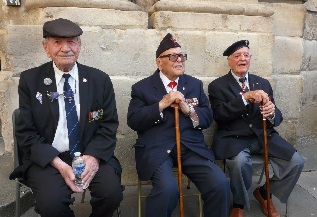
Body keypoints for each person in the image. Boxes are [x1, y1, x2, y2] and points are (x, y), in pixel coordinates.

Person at [9, 18, 123, 217]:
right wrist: (59, 164)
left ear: (79, 45)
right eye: (57, 42)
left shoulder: (100, 80)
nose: (65, 48)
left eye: (71, 42)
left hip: (89, 153)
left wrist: (93, 157)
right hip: (49, 158)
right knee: (51, 205)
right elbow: (26, 133)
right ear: (46, 47)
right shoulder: (30, 80)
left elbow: (108, 125)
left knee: (111, 194)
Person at [127, 33, 230, 217]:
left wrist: (188, 110)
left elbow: (207, 117)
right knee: (168, 190)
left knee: (220, 184)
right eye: (173, 56)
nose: (179, 60)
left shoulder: (194, 84)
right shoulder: (142, 87)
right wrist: (162, 104)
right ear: (159, 62)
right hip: (157, 149)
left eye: (182, 56)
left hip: (191, 148)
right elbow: (134, 120)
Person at [208, 40, 305, 217]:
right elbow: (219, 114)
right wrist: (245, 98)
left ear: (250, 58)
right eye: (237, 56)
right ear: (229, 61)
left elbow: (276, 117)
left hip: (262, 136)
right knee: (239, 163)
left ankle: (264, 193)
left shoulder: (263, 82)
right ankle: (239, 203)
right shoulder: (217, 86)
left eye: (246, 55)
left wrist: (271, 113)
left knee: (296, 162)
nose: (242, 59)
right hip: (234, 137)